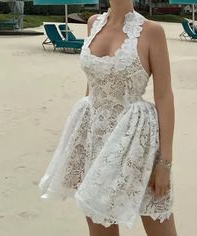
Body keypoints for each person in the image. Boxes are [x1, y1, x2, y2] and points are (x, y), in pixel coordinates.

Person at [38, 0, 178, 235]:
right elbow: (92, 84)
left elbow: (164, 97)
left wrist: (165, 162)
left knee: (158, 224)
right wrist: (81, 141)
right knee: (99, 223)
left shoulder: (152, 32)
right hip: (94, 134)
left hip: (136, 142)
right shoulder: (93, 23)